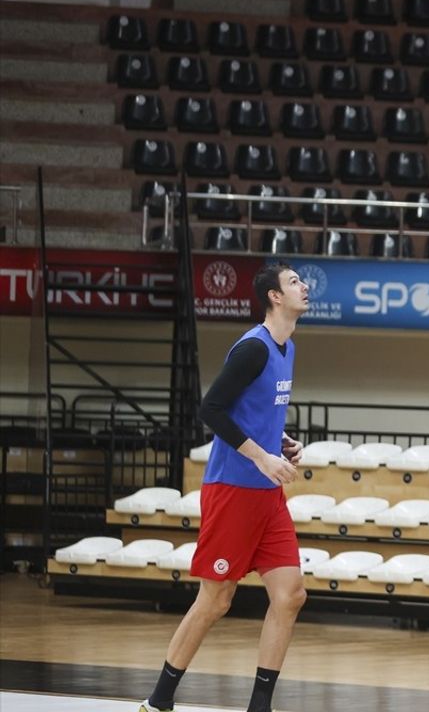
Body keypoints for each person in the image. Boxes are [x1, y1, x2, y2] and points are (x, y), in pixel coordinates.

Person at [140, 262, 309, 712]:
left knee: (290, 594)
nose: (303, 286)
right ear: (274, 296)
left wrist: (281, 441)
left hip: (266, 494)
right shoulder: (253, 349)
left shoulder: (287, 348)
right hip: (233, 489)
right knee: (216, 600)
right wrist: (261, 455)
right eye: (294, 282)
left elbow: (250, 410)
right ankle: (159, 700)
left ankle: (260, 706)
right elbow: (211, 409)